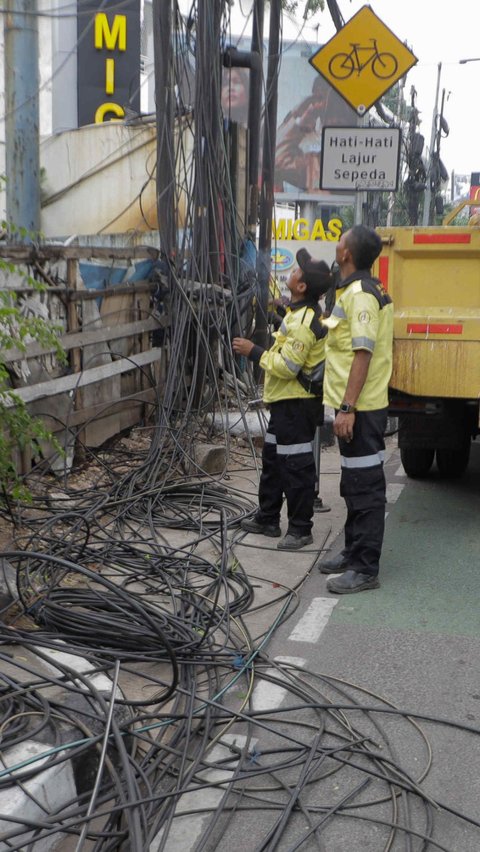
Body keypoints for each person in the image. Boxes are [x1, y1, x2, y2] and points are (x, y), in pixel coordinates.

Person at [233, 250, 332, 550]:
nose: (291, 271)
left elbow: (289, 366)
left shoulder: (304, 321)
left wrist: (253, 351)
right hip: (285, 405)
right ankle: (268, 517)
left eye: (297, 270)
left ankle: (301, 529)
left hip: (296, 407)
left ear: (302, 287)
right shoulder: (298, 313)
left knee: (296, 467)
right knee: (274, 462)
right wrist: (279, 312)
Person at [319, 225, 393, 593]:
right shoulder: (348, 291)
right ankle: (352, 552)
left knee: (365, 488)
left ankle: (365, 569)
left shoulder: (362, 295)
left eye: (340, 238)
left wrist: (348, 407)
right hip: (350, 405)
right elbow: (337, 340)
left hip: (361, 408)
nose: (337, 243)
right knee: (353, 484)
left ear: (347, 253)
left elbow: (362, 353)